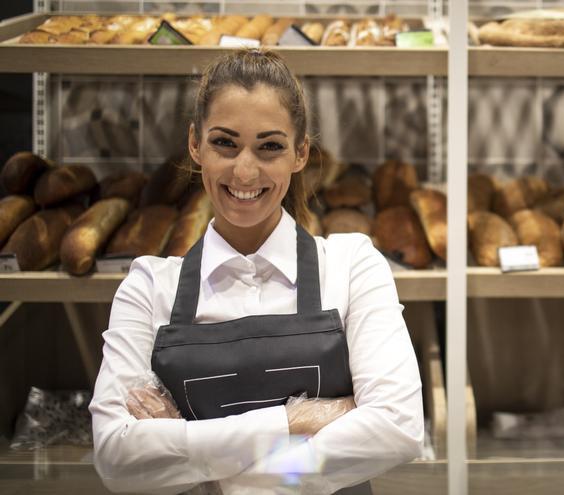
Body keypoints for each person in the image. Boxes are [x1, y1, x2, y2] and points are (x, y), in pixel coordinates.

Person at [89, 49, 424, 495]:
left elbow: (397, 428)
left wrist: (209, 467)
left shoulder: (352, 265)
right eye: (225, 143)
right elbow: (116, 457)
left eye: (270, 146)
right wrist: (294, 421)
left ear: (301, 153)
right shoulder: (148, 286)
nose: (245, 171)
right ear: (195, 145)